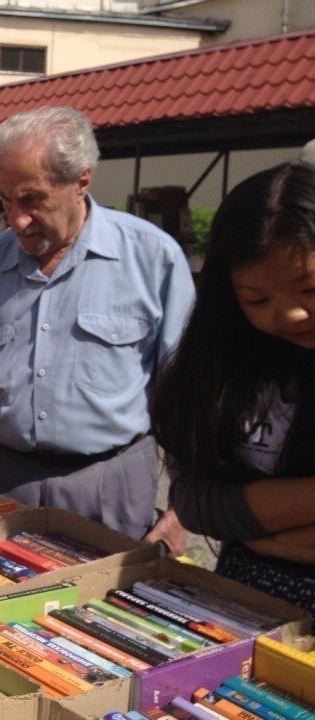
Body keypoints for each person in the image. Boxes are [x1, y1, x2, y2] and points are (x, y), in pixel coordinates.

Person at [0, 106, 195, 545]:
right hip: (2, 478)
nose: (16, 219)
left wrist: (180, 514)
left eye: (32, 199)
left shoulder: (152, 259)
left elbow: (189, 398)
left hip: (107, 489)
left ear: (81, 181)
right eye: (6, 200)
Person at [150, 162, 315, 612]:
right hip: (244, 601)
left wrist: (257, 526)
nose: (291, 314)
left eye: (310, 289)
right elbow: (195, 500)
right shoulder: (215, 369)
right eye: (257, 299)